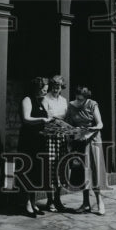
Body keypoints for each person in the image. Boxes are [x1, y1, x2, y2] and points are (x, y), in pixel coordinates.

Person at [66, 85, 107, 215]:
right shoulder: (71, 106)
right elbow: (70, 123)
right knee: (83, 171)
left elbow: (100, 124)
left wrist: (90, 130)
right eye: (77, 98)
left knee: (94, 170)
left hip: (93, 140)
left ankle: (100, 202)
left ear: (86, 98)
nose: (79, 101)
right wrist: (73, 132)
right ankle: (85, 203)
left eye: (82, 99)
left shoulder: (92, 104)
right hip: (79, 141)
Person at [16, 76, 50, 218]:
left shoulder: (41, 101)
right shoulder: (27, 99)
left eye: (46, 90)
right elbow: (26, 118)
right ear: (36, 88)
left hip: (40, 140)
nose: (44, 92)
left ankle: (33, 201)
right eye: (42, 89)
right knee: (28, 170)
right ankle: (27, 203)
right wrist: (42, 119)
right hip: (29, 141)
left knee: (36, 172)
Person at [42, 74, 69, 212]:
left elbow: (66, 117)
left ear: (61, 87)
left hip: (62, 137)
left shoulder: (64, 101)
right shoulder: (46, 99)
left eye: (58, 87)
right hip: (50, 137)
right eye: (53, 86)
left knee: (60, 167)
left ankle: (58, 199)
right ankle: (50, 200)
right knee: (50, 167)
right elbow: (46, 117)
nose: (55, 89)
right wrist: (55, 120)